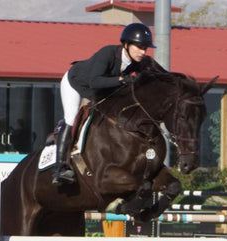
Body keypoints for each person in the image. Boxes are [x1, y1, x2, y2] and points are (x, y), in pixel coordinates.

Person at [52, 22, 156, 185]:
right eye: (139, 47)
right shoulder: (107, 53)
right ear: (126, 45)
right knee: (71, 118)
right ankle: (60, 167)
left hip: (99, 90)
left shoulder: (138, 63)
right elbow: (95, 81)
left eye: (145, 48)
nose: (143, 52)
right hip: (76, 83)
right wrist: (122, 79)